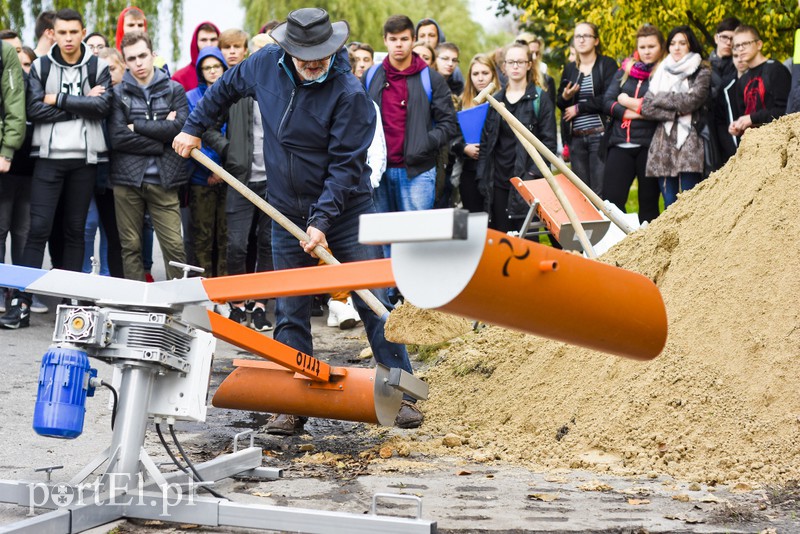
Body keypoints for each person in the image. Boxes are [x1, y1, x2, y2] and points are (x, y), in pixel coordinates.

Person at [172, 8, 425, 433]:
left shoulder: (350, 93)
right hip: (285, 207)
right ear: (287, 49)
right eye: (305, 55)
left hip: (346, 211)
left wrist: (323, 219)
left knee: (374, 299)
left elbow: (346, 167)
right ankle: (294, 401)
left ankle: (402, 392)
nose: (314, 63)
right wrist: (194, 127)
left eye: (322, 55)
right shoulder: (262, 66)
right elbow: (222, 91)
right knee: (288, 308)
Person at [1, 8, 113, 329]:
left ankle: (71, 301)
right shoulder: (40, 65)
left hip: (84, 160)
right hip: (48, 158)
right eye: (62, 32)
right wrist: (79, 104)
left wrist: (58, 99)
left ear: (82, 32)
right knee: (38, 230)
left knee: (75, 231)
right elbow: (34, 110)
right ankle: (21, 303)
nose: (67, 38)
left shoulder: (98, 65)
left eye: (73, 33)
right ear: (54, 32)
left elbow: (103, 107)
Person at [202, 29, 275, 332]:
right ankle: (236, 303)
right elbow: (206, 124)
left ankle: (259, 305)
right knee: (236, 245)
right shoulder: (233, 87)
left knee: (269, 244)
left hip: (273, 181)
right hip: (240, 180)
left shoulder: (278, 87)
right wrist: (228, 150)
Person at [110, 31, 188, 282]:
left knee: (174, 246)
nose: (139, 63)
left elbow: (182, 128)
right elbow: (118, 138)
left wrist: (138, 126)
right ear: (125, 62)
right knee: (130, 246)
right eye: (131, 59)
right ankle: (135, 303)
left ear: (152, 55)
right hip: (127, 179)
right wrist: (161, 139)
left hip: (164, 179)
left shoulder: (174, 89)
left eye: (143, 56)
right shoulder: (118, 93)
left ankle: (178, 301)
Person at [367, 15, 458, 220]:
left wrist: (425, 143)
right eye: (393, 39)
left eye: (404, 39)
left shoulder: (431, 79)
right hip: (378, 172)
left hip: (418, 172)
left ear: (413, 39)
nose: (398, 44)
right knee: (382, 240)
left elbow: (449, 123)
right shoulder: (371, 76)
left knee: (416, 243)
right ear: (385, 40)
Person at [476, 41, 557, 233]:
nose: (515, 66)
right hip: (497, 181)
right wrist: (483, 176)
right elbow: (486, 142)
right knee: (502, 240)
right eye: (510, 62)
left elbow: (549, 143)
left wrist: (531, 176)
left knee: (527, 241)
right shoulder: (495, 100)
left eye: (520, 62)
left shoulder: (540, 99)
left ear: (529, 65)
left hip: (526, 181)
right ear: (503, 66)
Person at [641, 25, 711, 209]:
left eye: (682, 43)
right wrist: (676, 110)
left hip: (690, 141)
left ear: (691, 45)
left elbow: (691, 101)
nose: (677, 47)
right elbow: (647, 107)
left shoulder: (701, 71)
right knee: (669, 203)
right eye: (673, 43)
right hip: (662, 143)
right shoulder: (660, 71)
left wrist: (660, 98)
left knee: (690, 202)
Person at [602, 25, 665, 224]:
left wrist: (628, 104)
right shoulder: (625, 71)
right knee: (610, 202)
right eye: (643, 46)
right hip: (620, 144)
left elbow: (659, 108)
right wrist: (631, 112)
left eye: (652, 46)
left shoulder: (665, 73)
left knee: (649, 206)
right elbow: (607, 101)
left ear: (661, 47)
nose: (647, 51)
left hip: (650, 146)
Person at [557, 22, 618, 196]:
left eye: (586, 36)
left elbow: (608, 98)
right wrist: (566, 97)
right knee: (581, 194)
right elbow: (560, 103)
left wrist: (579, 108)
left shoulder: (606, 64)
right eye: (578, 36)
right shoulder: (570, 69)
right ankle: (585, 225)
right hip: (576, 138)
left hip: (600, 135)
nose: (581, 40)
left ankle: (605, 223)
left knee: (600, 192)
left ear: (596, 40)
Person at [186, 47, 228, 278]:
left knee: (225, 235)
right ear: (201, 71)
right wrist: (213, 168)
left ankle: (223, 288)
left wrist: (225, 169)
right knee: (202, 236)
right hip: (202, 176)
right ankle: (204, 288)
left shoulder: (233, 96)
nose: (212, 71)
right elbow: (194, 135)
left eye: (216, 66)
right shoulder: (191, 97)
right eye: (207, 67)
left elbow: (236, 136)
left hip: (230, 176)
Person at [0, 32, 28, 313]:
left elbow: (14, 104)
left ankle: (12, 296)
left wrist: (7, 149)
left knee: (6, 228)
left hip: (5, 158)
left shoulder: (4, 53)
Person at [453, 53, 499, 213]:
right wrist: (464, 148)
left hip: (497, 170)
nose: (480, 78)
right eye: (476, 74)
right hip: (469, 169)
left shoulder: (503, 99)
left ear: (493, 74)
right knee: (474, 220)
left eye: (485, 73)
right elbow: (450, 139)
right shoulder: (461, 102)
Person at [729, 25, 791, 139]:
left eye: (745, 44)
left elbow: (787, 110)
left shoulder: (775, 70)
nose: (741, 49)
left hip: (777, 141)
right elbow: (744, 116)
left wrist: (752, 118)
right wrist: (738, 126)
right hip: (754, 145)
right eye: (737, 46)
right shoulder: (742, 80)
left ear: (759, 44)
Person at [710, 17, 741, 165]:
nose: (728, 42)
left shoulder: (740, 67)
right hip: (707, 127)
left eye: (732, 39)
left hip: (731, 125)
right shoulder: (702, 65)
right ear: (716, 38)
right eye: (724, 37)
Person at [171, 22, 220, 92]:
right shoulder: (180, 78)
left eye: (213, 40)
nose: (209, 44)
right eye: (204, 40)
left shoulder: (229, 74)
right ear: (195, 43)